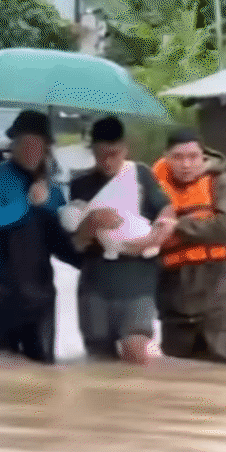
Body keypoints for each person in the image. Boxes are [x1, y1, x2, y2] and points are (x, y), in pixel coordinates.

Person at [0, 110, 82, 364]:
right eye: (24, 143)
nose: (30, 150)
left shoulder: (53, 190)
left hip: (39, 296)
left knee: (42, 376)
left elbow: (61, 245)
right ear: (13, 146)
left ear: (47, 148)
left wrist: (89, 250)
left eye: (37, 144)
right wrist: (27, 202)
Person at [65, 116, 176, 364]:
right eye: (100, 154)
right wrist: (91, 223)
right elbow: (76, 244)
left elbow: (167, 212)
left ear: (125, 150)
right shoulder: (79, 185)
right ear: (92, 151)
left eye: (114, 154)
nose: (107, 161)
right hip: (95, 284)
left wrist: (151, 240)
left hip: (137, 281)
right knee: (99, 361)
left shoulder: (141, 175)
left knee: (137, 351)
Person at [151, 129, 226, 364]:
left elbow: (225, 226)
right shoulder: (152, 187)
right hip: (172, 289)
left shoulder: (221, 182)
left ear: (203, 156)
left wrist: (177, 227)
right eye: (178, 157)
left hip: (217, 286)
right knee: (176, 368)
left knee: (218, 366)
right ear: (166, 157)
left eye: (193, 157)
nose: (186, 164)